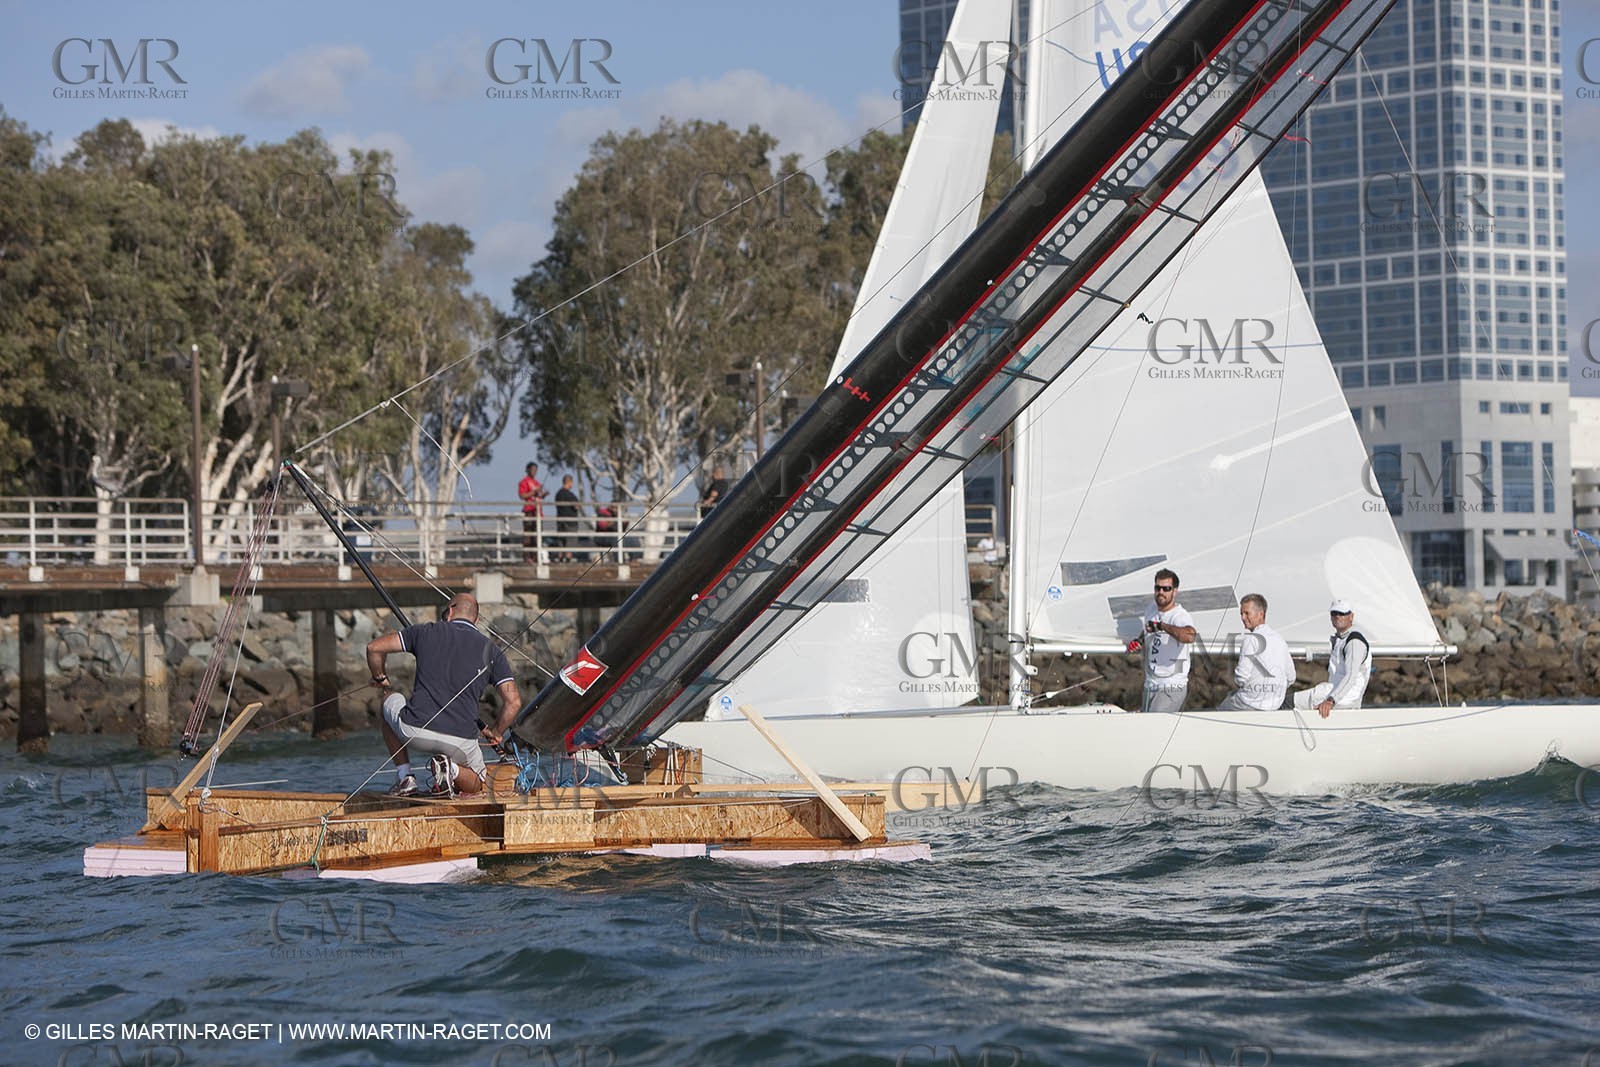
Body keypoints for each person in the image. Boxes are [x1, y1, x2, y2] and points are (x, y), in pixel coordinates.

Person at [365, 593, 521, 797]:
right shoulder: (492, 652)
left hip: (414, 730)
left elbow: (374, 648)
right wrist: (497, 732)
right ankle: (451, 769)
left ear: (449, 612)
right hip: (460, 741)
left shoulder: (424, 632)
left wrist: (380, 678)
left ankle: (405, 778)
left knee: (389, 702)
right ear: (476, 620)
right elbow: (514, 702)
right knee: (479, 783)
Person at [1127, 568, 1197, 712]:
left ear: (1174, 591)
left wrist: (1162, 626)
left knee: (1155, 729)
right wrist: (1139, 641)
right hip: (1150, 684)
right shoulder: (1151, 610)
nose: (1161, 592)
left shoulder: (1179, 616)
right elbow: (1148, 629)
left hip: (1171, 687)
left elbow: (1190, 636)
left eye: (1166, 589)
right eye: (1158, 588)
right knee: (1147, 727)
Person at [1293, 598, 1371, 719]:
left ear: (1351, 616)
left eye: (1342, 613)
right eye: (1334, 613)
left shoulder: (1354, 641)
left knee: (1286, 702)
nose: (1338, 617)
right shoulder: (1341, 639)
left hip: (1342, 698)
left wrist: (1331, 701)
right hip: (1339, 695)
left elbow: (1351, 676)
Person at [1218, 593, 1296, 711]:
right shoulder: (1280, 639)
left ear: (1261, 614)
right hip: (1275, 704)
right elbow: (1291, 677)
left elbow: (1241, 678)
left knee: (1221, 707)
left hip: (1250, 702)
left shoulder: (1251, 639)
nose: (1243, 618)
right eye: (1241, 614)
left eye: (1246, 613)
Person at [517, 462, 546, 563]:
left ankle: (535, 557)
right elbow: (522, 496)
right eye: (533, 469)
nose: (534, 472)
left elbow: (539, 496)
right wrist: (534, 492)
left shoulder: (536, 483)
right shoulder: (523, 482)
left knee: (537, 535)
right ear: (528, 470)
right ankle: (527, 557)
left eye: (536, 470)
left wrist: (543, 494)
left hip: (538, 512)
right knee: (528, 535)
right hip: (529, 511)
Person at [554, 474, 580, 562]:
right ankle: (568, 559)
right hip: (570, 522)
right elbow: (577, 506)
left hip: (560, 521)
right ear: (569, 482)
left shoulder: (558, 494)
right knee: (570, 541)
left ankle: (560, 558)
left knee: (561, 541)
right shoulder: (570, 495)